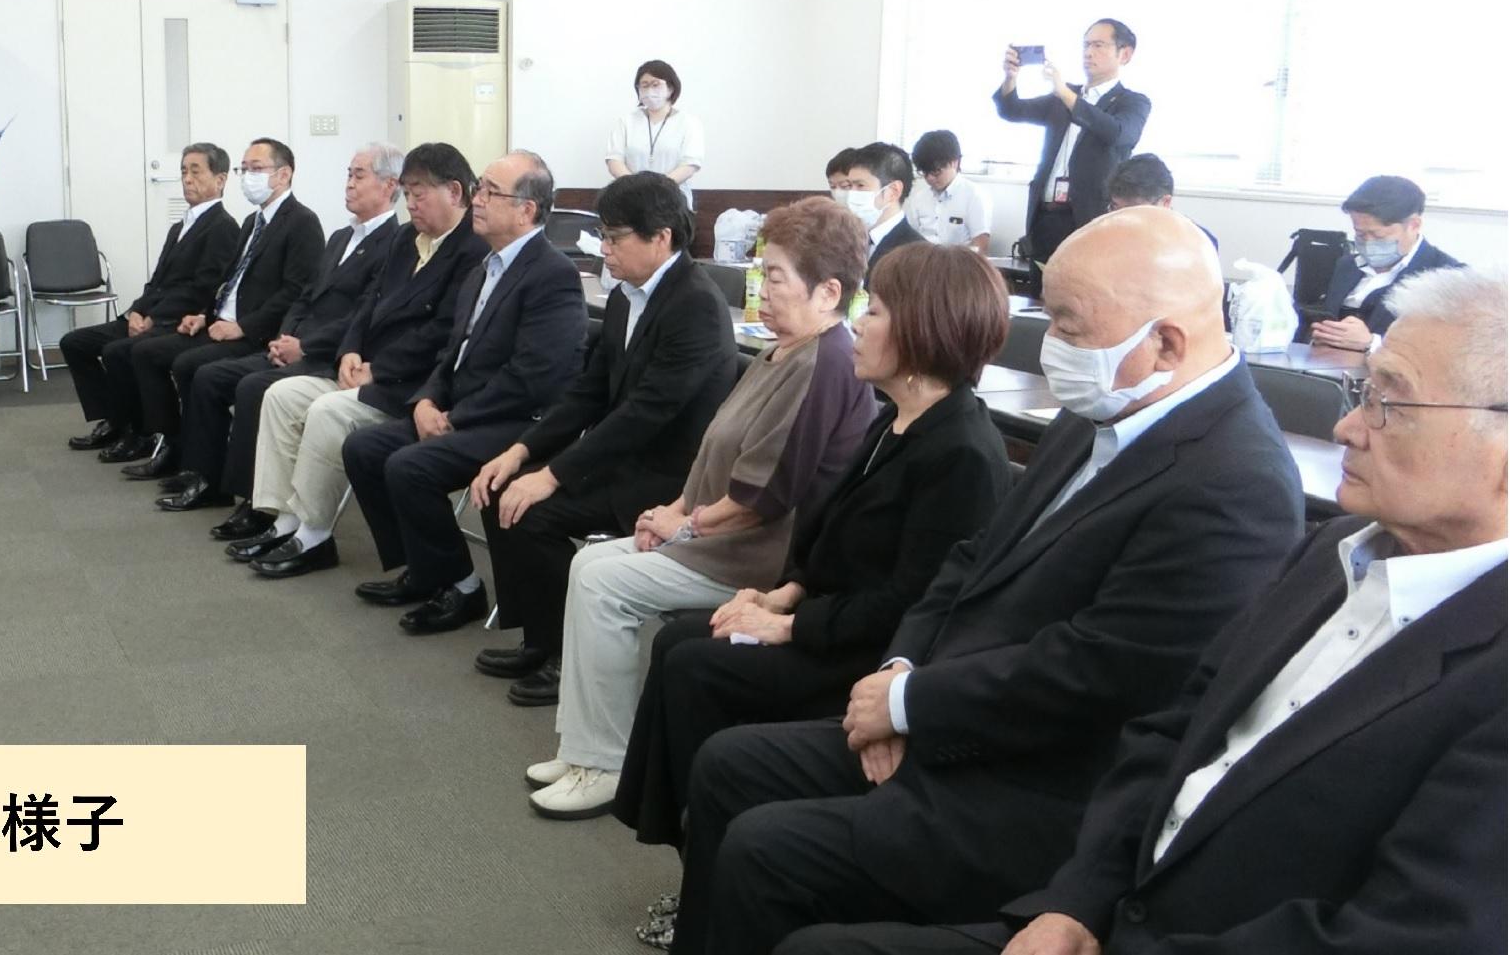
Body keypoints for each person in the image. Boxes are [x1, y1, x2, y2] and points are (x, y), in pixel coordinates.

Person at [790, 267, 1507, 955]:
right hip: (1109, 892)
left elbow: (1411, 935)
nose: (1348, 426)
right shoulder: (1331, 552)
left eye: (1389, 403)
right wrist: (1078, 900)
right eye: (1361, 391)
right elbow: (1176, 731)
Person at [668, 207, 1305, 955]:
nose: (1049, 344)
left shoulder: (1236, 482)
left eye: (1066, 326)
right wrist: (899, 670)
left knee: (765, 851)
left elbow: (1099, 671)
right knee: (729, 765)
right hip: (951, 706)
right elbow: (971, 559)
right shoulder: (1100, 412)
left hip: (1036, 782)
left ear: (1164, 342)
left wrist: (911, 704)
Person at [616, 243, 1013, 948]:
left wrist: (790, 627)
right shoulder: (892, 418)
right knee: (682, 640)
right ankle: (696, 853)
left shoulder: (961, 453)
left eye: (876, 312)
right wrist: (782, 594)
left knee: (698, 665)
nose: (858, 324)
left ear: (921, 333)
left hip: (867, 654)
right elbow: (826, 533)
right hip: (829, 616)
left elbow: (908, 603)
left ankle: (708, 870)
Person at [525, 197, 881, 822]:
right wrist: (671, 510)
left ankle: (606, 763)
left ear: (829, 293)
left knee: (604, 583)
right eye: (761, 271)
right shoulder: (779, 351)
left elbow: (764, 499)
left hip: (760, 559)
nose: (760, 287)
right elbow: (715, 452)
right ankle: (584, 746)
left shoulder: (825, 364)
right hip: (717, 537)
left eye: (775, 276)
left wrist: (684, 525)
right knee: (590, 567)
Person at [466, 172, 742, 706]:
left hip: (669, 480)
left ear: (661, 237)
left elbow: (645, 414)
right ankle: (541, 639)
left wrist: (553, 474)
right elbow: (588, 393)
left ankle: (565, 658)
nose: (604, 250)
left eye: (615, 238)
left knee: (535, 512)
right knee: (505, 490)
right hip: (622, 459)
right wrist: (522, 451)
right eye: (604, 236)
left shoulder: (696, 305)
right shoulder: (625, 296)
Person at [342, 151, 586, 634]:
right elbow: (451, 354)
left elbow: (532, 377)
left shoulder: (552, 274)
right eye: (480, 189)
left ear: (526, 210)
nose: (477, 200)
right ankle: (425, 569)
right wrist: (427, 400)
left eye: (491, 192)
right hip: (463, 411)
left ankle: (462, 588)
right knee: (363, 448)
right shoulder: (484, 267)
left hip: (516, 423)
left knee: (410, 467)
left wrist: (456, 416)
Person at [217, 144, 487, 575]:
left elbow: (441, 333)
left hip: (408, 383)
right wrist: (351, 350)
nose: (410, 203)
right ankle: (283, 518)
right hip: (360, 368)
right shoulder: (406, 239)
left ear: (454, 192)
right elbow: (368, 303)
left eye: (418, 193)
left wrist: (379, 369)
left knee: (326, 412)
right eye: (407, 193)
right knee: (281, 396)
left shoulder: (473, 250)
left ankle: (313, 534)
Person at [155, 144, 404, 513]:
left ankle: (254, 501)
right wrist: (284, 337)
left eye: (359, 175)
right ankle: (206, 477)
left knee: (250, 386)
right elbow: (304, 296)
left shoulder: (394, 244)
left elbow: (361, 316)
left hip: (327, 355)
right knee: (208, 377)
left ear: (389, 185)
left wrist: (304, 346)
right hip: (291, 343)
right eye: (348, 174)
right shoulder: (341, 236)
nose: (349, 183)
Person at [117, 138, 326, 481]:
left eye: (256, 168)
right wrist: (204, 314)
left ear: (283, 174)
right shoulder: (252, 222)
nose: (247, 177)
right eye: (245, 169)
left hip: (255, 332)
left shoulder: (302, 222)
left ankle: (204, 469)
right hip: (220, 323)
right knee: (147, 352)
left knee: (191, 366)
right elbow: (226, 281)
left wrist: (243, 326)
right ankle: (176, 446)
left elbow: (295, 292)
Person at [64, 144, 239, 457]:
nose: (187, 179)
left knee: (119, 352)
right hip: (150, 314)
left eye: (196, 171)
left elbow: (202, 290)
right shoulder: (179, 226)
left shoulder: (223, 227)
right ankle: (115, 420)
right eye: (183, 171)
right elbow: (156, 280)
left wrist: (153, 318)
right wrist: (137, 311)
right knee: (75, 343)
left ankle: (142, 433)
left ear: (220, 179)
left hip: (177, 320)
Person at [994, 20, 1152, 262]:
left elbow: (1117, 133)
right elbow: (1011, 110)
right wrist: (1010, 78)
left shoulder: (1132, 101)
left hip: (1090, 219)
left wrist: (1066, 94)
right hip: (1045, 216)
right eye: (1086, 45)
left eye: (1098, 45)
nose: (1088, 52)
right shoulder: (1063, 97)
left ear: (1125, 54)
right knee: (1040, 283)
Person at [1309, 173, 1462, 352]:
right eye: (1360, 234)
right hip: (1326, 364)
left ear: (1414, 225)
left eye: (1378, 235)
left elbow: (1446, 351)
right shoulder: (1347, 266)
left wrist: (1372, 344)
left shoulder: (1448, 277)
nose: (1368, 243)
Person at [606, 60, 707, 206]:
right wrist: (636, 188)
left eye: (655, 84)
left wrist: (658, 189)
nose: (649, 90)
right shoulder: (626, 121)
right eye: (644, 85)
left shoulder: (689, 122)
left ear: (670, 88)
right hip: (631, 198)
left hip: (672, 199)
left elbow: (690, 164)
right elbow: (614, 160)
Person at [827, 143, 925, 279]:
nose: (851, 194)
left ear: (893, 191)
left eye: (860, 185)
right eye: (849, 186)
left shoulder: (917, 255)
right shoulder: (846, 240)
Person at [905, 130, 993, 255]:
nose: (929, 178)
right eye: (924, 172)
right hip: (922, 262)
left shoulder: (974, 196)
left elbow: (980, 247)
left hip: (959, 264)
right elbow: (908, 240)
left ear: (954, 162)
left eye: (935, 172)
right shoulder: (919, 198)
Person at [1106, 153, 1215, 249]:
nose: (1122, 221)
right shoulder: (1104, 235)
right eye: (1115, 208)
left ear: (1165, 202)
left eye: (1133, 212)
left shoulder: (1199, 243)